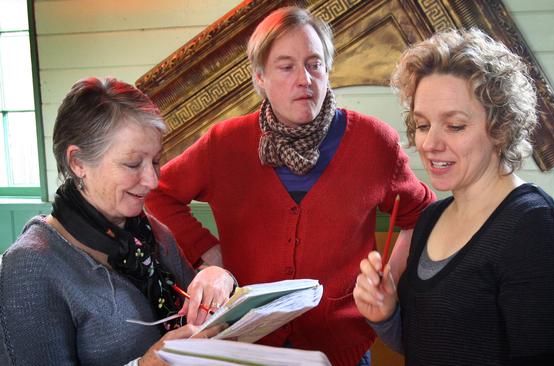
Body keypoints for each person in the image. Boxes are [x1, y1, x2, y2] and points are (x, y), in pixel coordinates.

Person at [144, 6, 434, 366]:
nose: (305, 79)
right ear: (260, 77)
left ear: (328, 70)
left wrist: (387, 280)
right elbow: (158, 193)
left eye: (314, 64)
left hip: (342, 350)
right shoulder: (225, 143)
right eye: (286, 66)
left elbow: (421, 214)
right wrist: (208, 252)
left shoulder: (374, 141)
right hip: (247, 347)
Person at [353, 28, 554, 365]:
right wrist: (385, 314)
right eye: (423, 125)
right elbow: (429, 344)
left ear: (500, 128)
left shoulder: (535, 229)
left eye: (454, 125)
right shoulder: (430, 220)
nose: (430, 143)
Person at [0, 77, 229, 366]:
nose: (153, 180)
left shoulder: (154, 232)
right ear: (78, 162)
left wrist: (217, 278)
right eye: (133, 164)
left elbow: (205, 321)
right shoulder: (31, 266)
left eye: (156, 161)